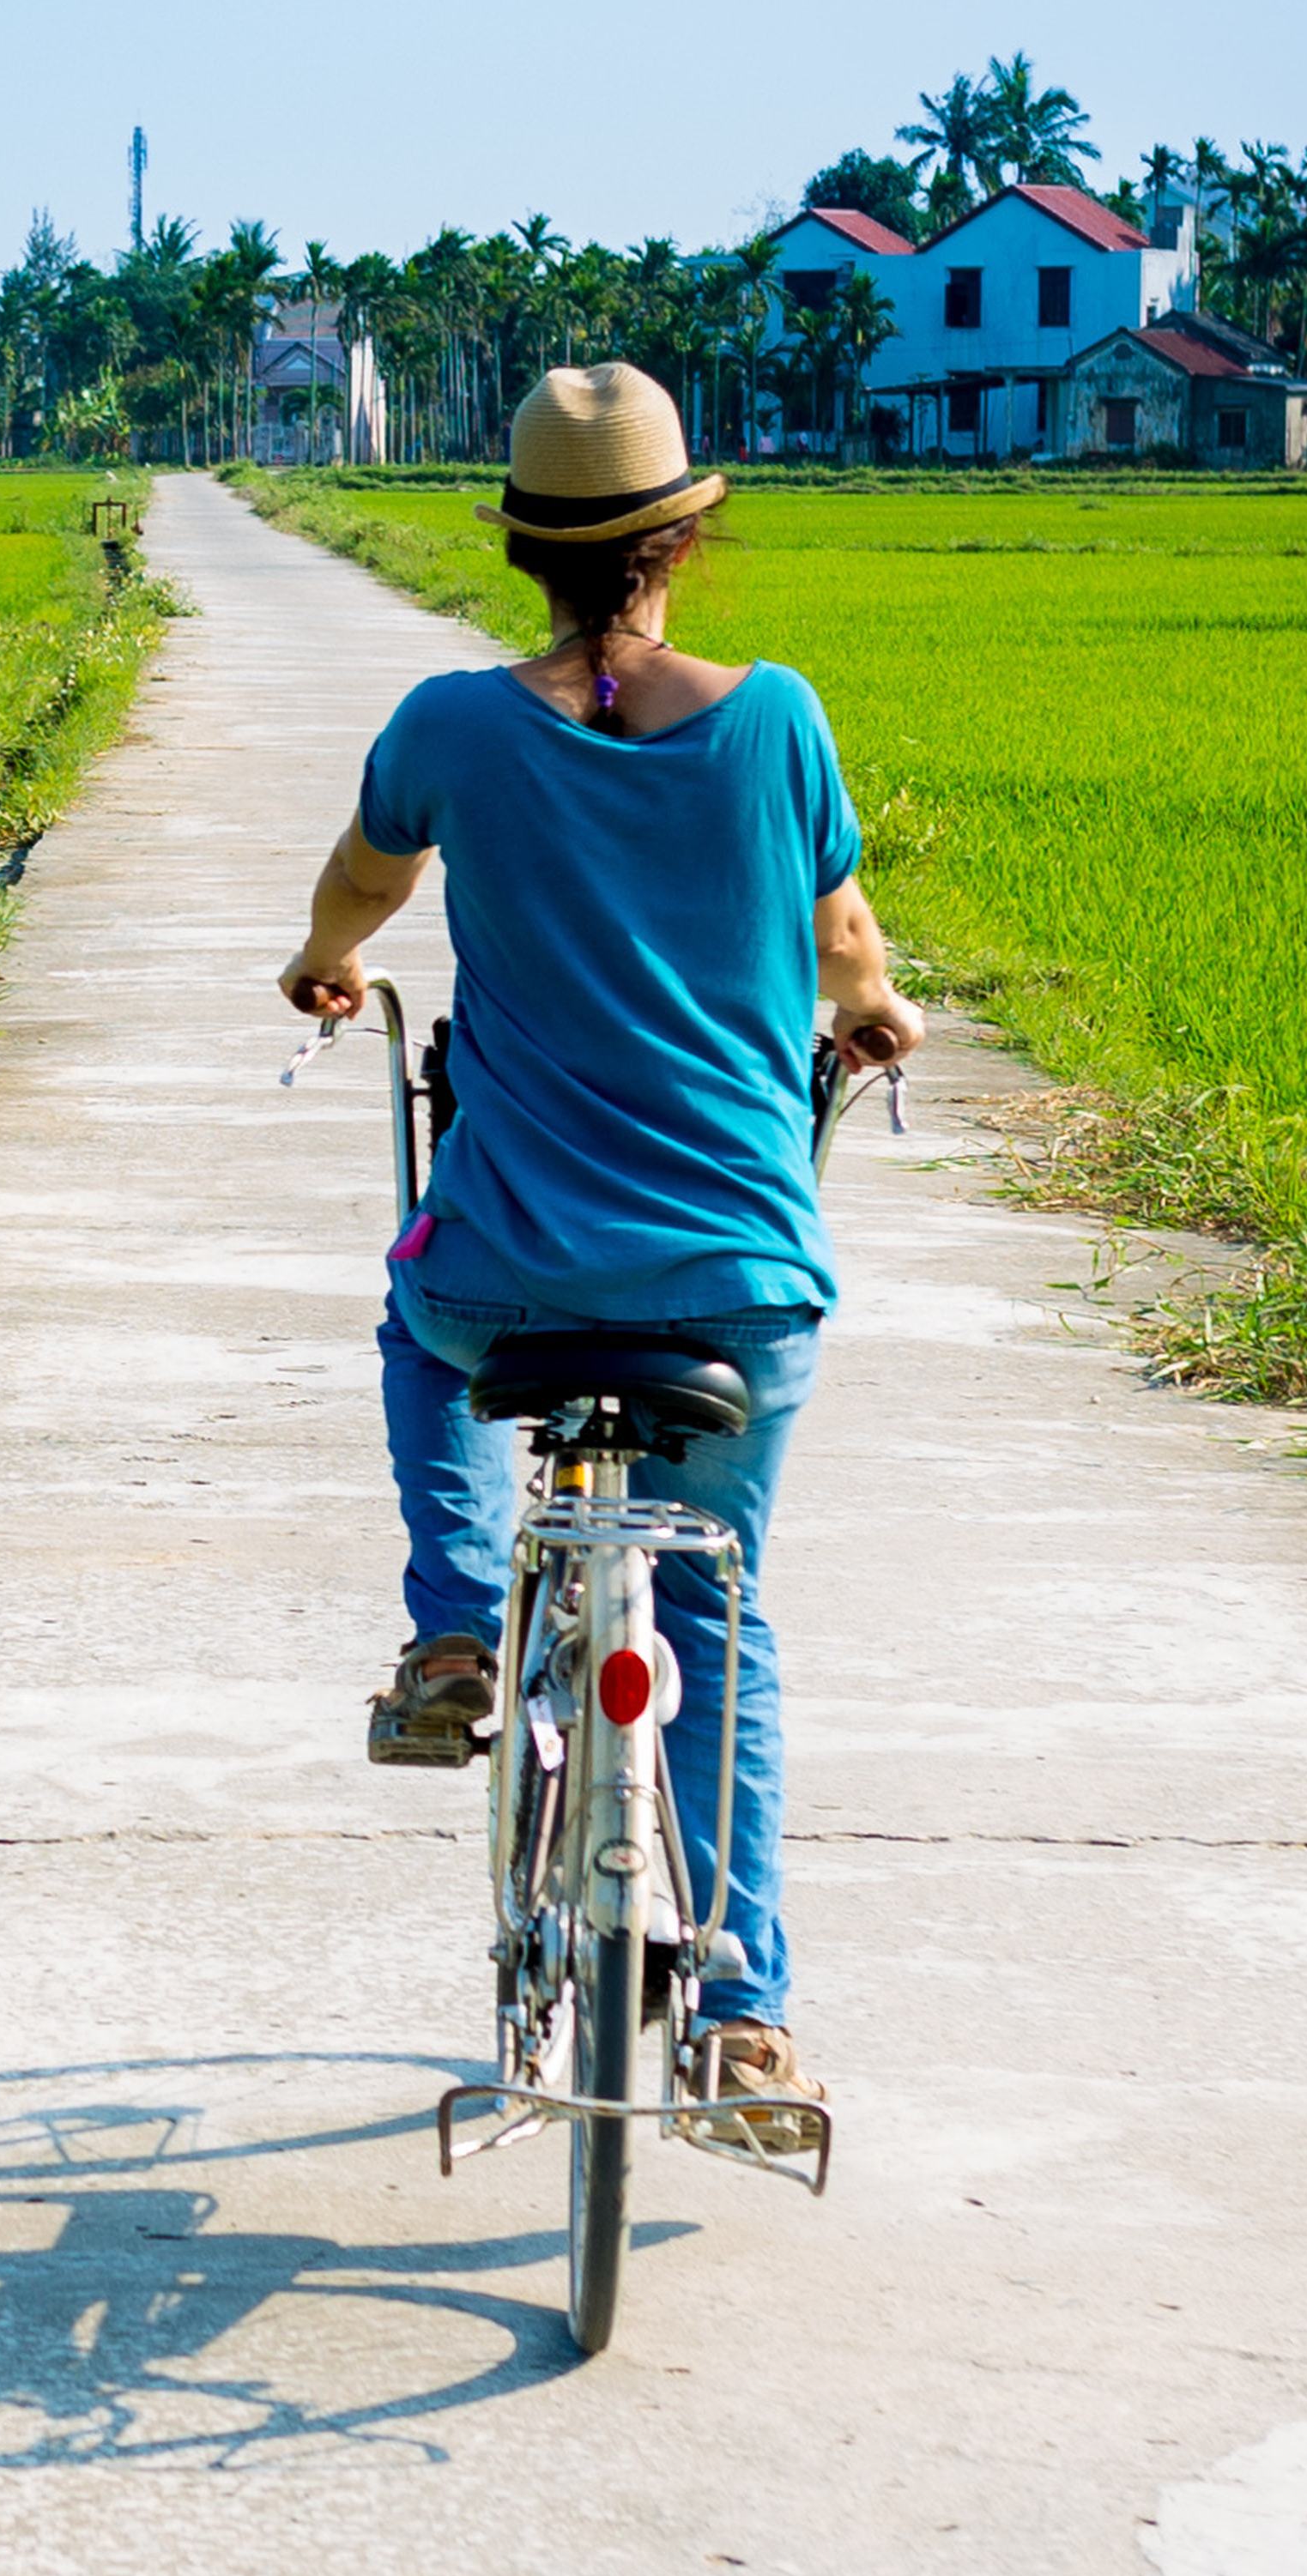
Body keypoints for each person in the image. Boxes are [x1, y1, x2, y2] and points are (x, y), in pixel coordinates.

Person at [275, 360, 917, 2135]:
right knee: (716, 1615)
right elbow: (843, 931)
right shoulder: (778, 721)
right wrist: (869, 1013)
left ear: (520, 552)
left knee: (419, 1327)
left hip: (512, 1272)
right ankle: (751, 2021)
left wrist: (325, 969)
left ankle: (452, 1638)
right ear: (686, 541)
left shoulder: (455, 725)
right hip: (736, 1287)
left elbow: (360, 883)